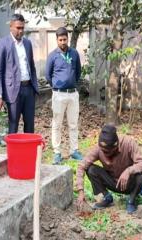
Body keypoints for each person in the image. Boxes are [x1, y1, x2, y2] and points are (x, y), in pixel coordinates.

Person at [76, 124, 142, 214]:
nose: (106, 154)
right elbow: (81, 166)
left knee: (141, 177)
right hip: (111, 181)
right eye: (103, 151)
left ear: (116, 146)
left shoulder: (128, 143)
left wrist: (128, 171)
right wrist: (80, 191)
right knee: (91, 169)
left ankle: (131, 200)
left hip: (129, 183)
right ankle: (107, 197)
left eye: (108, 152)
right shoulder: (98, 149)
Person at [0, 13, 39, 133]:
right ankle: (13, 152)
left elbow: (32, 66)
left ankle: (28, 151)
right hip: (13, 90)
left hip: (28, 89)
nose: (21, 31)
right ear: (11, 27)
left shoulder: (27, 44)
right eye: (18, 28)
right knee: (13, 124)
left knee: (30, 124)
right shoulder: (3, 44)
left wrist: (35, 86)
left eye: (22, 28)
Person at [45, 27, 82, 164]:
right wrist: (56, 85)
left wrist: (71, 83)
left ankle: (74, 151)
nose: (62, 42)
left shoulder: (74, 54)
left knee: (73, 124)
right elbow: (48, 75)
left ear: (68, 38)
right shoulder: (53, 55)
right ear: (57, 40)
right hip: (58, 95)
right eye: (60, 40)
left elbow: (78, 72)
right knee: (57, 124)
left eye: (65, 39)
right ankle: (57, 152)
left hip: (72, 94)